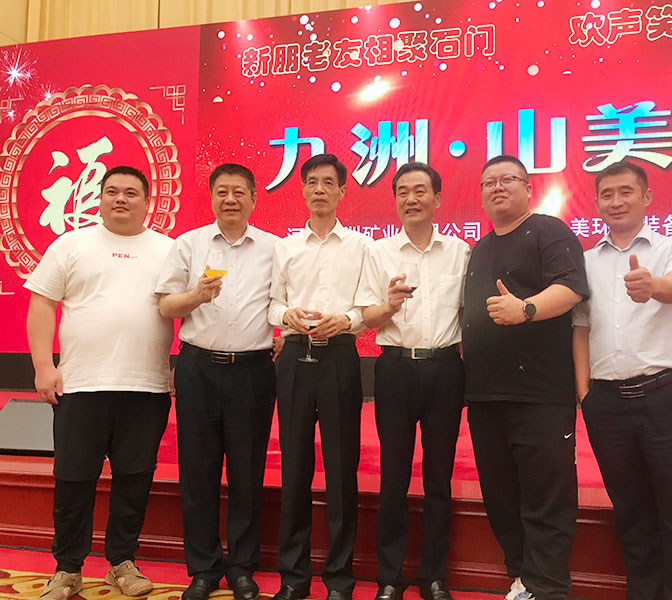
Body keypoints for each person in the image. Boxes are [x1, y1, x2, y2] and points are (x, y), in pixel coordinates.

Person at [25, 165, 173, 600]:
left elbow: (191, 306)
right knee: (74, 479)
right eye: (112, 191)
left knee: (134, 478)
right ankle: (67, 569)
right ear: (100, 198)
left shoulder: (168, 249)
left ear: (147, 201)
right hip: (80, 384)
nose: (120, 199)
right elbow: (41, 304)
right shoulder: (71, 244)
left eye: (131, 192)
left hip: (146, 386)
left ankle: (122, 562)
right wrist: (43, 366)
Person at [572, 161, 672, 599]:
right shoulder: (585, 261)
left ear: (647, 197)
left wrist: (653, 287)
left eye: (626, 191)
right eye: (607, 194)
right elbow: (581, 328)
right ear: (596, 203)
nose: (616, 201)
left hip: (666, 396)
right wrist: (585, 395)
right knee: (630, 511)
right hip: (606, 403)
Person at [462, 155, 588, 600]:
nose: (497, 187)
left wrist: (526, 309)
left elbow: (571, 288)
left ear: (528, 188)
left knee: (546, 495)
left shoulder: (550, 231)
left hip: (539, 393)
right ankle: (522, 578)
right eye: (488, 182)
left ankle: (548, 587)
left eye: (508, 179)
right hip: (486, 394)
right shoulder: (479, 248)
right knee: (500, 496)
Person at [155, 164, 278, 600]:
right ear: (210, 197)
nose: (230, 199)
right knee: (198, 471)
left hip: (252, 371)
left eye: (239, 192)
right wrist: (197, 296)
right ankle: (204, 569)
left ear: (253, 199)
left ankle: (242, 567)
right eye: (222, 191)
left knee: (247, 471)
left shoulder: (274, 248)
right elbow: (166, 306)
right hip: (199, 369)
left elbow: (285, 301)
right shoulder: (188, 244)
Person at [356, 162, 470, 600]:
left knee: (439, 477)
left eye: (420, 190)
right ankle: (390, 576)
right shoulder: (379, 253)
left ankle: (434, 575)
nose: (411, 199)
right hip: (395, 369)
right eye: (403, 191)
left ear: (437, 199)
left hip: (445, 369)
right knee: (393, 475)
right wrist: (388, 305)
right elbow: (366, 317)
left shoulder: (461, 252)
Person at [269, 153, 371, 600]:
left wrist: (346, 320)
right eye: (311, 182)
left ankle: (339, 579)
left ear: (342, 191)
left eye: (328, 182)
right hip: (294, 356)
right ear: (303, 190)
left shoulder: (362, 246)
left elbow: (367, 306)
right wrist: (286, 315)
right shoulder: (286, 247)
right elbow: (272, 304)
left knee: (341, 468)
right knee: (294, 467)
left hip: (340, 356)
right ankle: (293, 577)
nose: (319, 190)